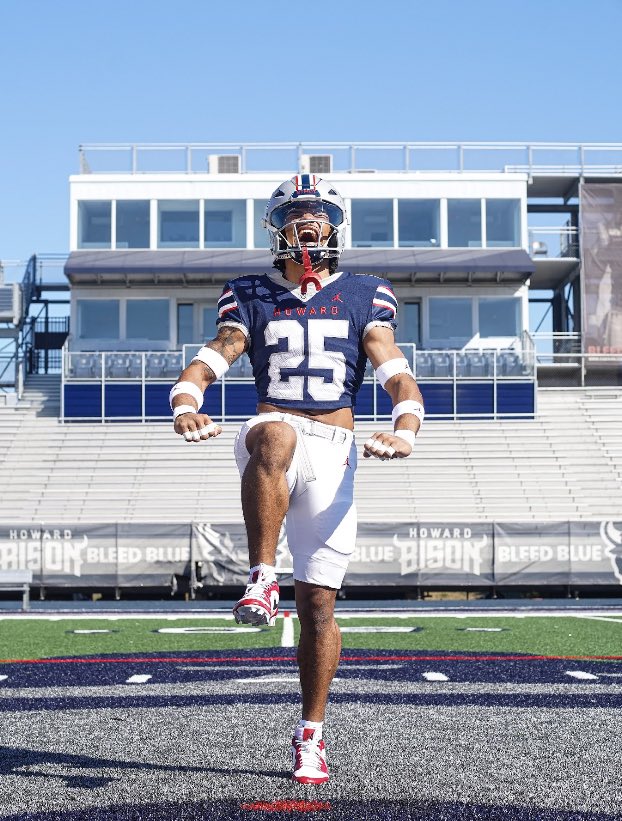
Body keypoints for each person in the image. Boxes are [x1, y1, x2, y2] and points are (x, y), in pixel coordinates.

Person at [170, 175, 424, 784]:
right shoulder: (250, 292)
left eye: (319, 211)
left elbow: (392, 366)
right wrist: (186, 398)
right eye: (296, 211)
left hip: (336, 448)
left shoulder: (367, 291)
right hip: (274, 431)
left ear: (336, 224)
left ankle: (310, 732)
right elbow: (221, 349)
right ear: (276, 225)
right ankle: (260, 578)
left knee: (317, 605)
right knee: (275, 431)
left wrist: (406, 426)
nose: (308, 221)